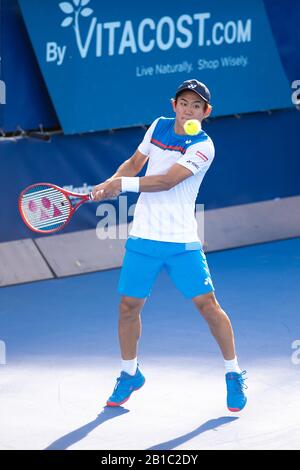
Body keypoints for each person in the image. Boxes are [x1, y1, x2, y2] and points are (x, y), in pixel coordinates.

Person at [92, 79, 247, 412]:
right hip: (143, 238)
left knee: (208, 306)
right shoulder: (158, 127)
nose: (188, 109)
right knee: (128, 308)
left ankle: (233, 373)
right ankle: (129, 373)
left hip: (181, 241)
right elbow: (134, 164)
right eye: (183, 103)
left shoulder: (204, 146)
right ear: (173, 105)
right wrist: (110, 183)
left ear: (206, 112)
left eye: (196, 105)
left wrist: (121, 184)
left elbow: (166, 181)